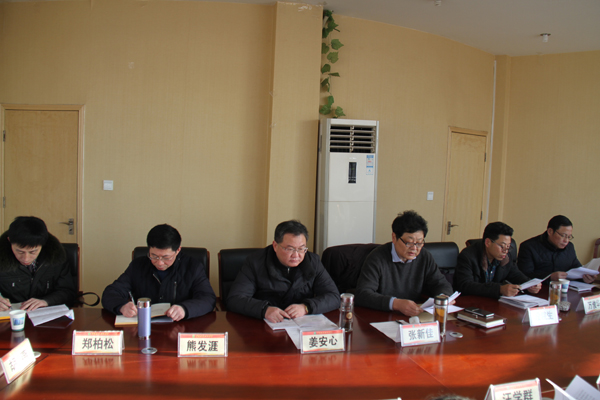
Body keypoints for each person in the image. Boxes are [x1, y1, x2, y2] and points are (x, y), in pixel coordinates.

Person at [227, 220, 339, 323]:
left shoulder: (313, 262)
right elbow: (235, 299)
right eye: (290, 249)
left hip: (300, 324)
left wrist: (306, 307)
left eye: (301, 249)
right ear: (275, 246)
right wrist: (264, 309)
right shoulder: (255, 262)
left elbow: (334, 296)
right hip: (264, 324)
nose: (296, 255)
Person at [102, 224, 215, 321]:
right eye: (154, 256)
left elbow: (208, 299)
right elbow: (111, 292)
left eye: (166, 257)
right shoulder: (138, 266)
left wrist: (184, 309)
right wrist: (121, 306)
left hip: (180, 326)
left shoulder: (192, 267)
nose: (160, 263)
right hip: (144, 326)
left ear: (178, 250)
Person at [355, 210, 453, 316]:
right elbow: (363, 294)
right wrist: (395, 303)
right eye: (409, 242)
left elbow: (440, 283)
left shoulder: (424, 256)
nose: (414, 248)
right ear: (394, 237)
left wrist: (444, 297)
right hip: (381, 316)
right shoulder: (377, 258)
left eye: (419, 243)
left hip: (414, 315)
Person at [0, 216, 76, 311]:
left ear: (43, 244)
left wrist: (46, 301)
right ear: (9, 240)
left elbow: (67, 292)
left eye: (32, 252)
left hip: (45, 314)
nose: (26, 258)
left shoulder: (56, 257)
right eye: (20, 251)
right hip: (9, 315)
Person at [454, 222, 541, 298]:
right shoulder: (468, 256)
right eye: (502, 246)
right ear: (488, 242)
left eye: (508, 246)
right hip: (471, 302)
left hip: (492, 302)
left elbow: (515, 275)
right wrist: (499, 289)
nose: (505, 251)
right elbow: (465, 286)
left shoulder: (505, 257)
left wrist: (529, 284)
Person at [517, 215, 594, 283]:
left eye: (569, 237)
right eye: (563, 235)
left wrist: (585, 278)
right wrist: (549, 277)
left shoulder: (569, 247)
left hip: (564, 290)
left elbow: (577, 269)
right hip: (539, 291)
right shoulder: (528, 247)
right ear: (550, 231)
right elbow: (523, 275)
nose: (566, 241)